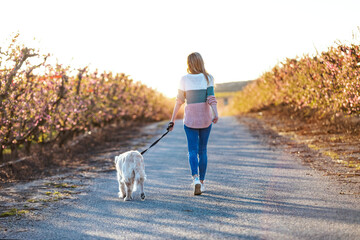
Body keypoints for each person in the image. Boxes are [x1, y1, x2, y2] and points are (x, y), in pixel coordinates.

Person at [168, 52, 218, 195]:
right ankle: (202, 183)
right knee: (203, 150)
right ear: (201, 62)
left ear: (189, 63)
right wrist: (216, 113)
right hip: (205, 118)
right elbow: (211, 97)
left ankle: (195, 179)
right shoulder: (208, 78)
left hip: (190, 119)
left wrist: (172, 120)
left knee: (192, 150)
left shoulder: (183, 79)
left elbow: (179, 101)